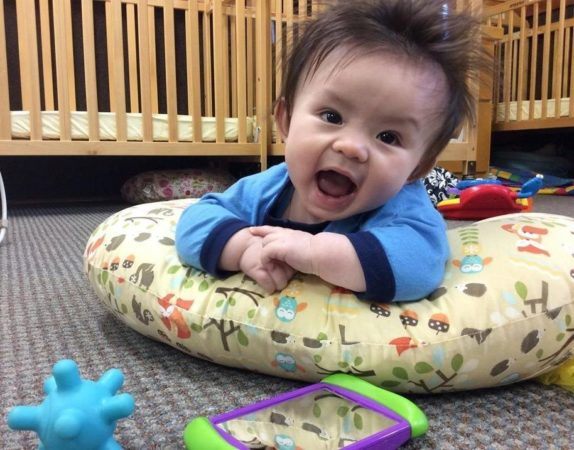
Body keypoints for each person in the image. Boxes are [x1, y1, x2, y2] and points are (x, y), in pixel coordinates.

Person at [176, 0, 482, 302]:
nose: (351, 147)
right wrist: (242, 247)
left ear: (417, 168)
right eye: (332, 117)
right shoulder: (269, 187)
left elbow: (420, 265)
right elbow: (196, 221)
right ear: (286, 119)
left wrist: (316, 253)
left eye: (388, 137)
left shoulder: (403, 209)